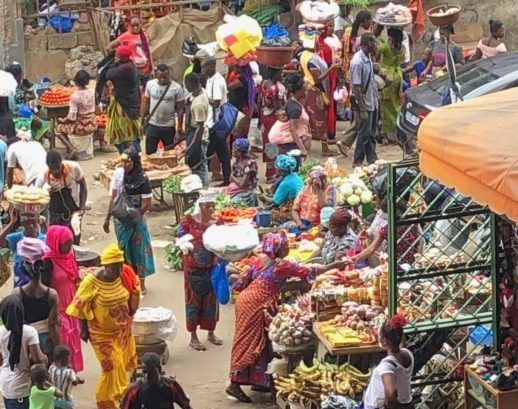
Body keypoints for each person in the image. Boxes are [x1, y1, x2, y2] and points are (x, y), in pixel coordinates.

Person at [226, 232, 348, 402]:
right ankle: (233, 383)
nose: (287, 248)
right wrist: (335, 265)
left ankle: (258, 379)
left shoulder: (259, 260)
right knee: (247, 342)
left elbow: (241, 282)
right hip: (256, 304)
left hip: (246, 300)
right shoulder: (281, 265)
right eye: (284, 246)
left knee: (261, 342)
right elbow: (310, 270)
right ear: (278, 248)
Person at [67, 244, 140, 409]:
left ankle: (121, 398)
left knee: (121, 364)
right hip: (101, 334)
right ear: (105, 265)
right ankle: (106, 402)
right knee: (111, 366)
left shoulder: (124, 275)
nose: (118, 271)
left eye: (120, 266)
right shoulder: (91, 282)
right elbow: (79, 306)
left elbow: (135, 290)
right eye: (114, 268)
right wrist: (83, 329)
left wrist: (132, 309)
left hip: (122, 331)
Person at [103, 148, 155, 294]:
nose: (125, 164)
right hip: (121, 220)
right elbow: (113, 197)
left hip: (137, 220)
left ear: (135, 162)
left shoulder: (143, 179)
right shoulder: (119, 175)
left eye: (128, 161)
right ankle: (127, 281)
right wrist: (107, 218)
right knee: (123, 250)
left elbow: (147, 203)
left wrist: (135, 218)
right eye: (123, 161)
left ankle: (141, 284)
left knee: (139, 251)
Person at [176, 191, 222, 351]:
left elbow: (224, 240)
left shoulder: (217, 222)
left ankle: (211, 332)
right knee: (193, 302)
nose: (210, 209)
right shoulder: (189, 221)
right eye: (207, 206)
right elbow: (178, 235)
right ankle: (193, 337)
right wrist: (183, 244)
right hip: (192, 268)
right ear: (200, 206)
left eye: (212, 206)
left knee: (211, 301)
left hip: (211, 267)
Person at [43, 226, 83, 372]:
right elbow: (45, 290)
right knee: (62, 342)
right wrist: (52, 314)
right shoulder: (48, 262)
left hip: (72, 306)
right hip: (58, 309)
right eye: (66, 243)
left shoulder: (69, 254)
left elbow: (73, 271)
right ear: (56, 243)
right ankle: (61, 374)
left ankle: (72, 373)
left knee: (73, 341)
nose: (69, 247)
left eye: (71, 243)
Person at [13, 237, 60, 359]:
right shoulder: (52, 294)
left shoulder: (16, 294)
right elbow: (53, 325)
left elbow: (14, 324)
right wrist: (58, 351)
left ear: (23, 268)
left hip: (25, 344)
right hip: (45, 345)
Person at [0, 295, 47, 409]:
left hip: (6, 384)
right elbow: (39, 359)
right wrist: (45, 358)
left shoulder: (0, 332)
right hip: (24, 385)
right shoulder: (29, 332)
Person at [299, 28, 339, 156]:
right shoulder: (312, 59)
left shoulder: (303, 55)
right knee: (320, 119)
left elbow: (301, 71)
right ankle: (325, 149)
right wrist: (332, 68)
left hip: (307, 87)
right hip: (315, 90)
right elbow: (318, 79)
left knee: (309, 118)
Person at [35, 151, 87, 244]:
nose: (56, 171)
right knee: (56, 241)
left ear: (61, 162)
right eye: (52, 168)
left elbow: (83, 186)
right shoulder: (44, 175)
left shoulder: (73, 168)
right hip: (55, 213)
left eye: (57, 167)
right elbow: (37, 196)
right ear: (47, 166)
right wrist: (48, 192)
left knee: (74, 239)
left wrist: (82, 208)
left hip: (74, 209)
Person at [363, 315, 414, 409]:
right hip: (407, 403)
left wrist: (387, 404)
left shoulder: (386, 367)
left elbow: (391, 392)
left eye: (380, 335)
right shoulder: (408, 354)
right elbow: (402, 345)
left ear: (384, 340)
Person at [120, 352, 193, 409]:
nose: (147, 376)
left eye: (151, 372)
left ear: (160, 369)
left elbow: (186, 405)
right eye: (144, 372)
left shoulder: (171, 385)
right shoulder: (134, 390)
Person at [141, 64, 185, 155]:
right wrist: (141, 121)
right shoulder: (150, 85)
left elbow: (181, 109)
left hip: (168, 127)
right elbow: (146, 104)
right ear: (156, 75)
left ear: (169, 74)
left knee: (169, 154)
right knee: (149, 154)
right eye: (160, 78)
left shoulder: (176, 88)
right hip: (153, 125)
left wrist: (179, 129)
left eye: (165, 77)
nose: (162, 80)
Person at [105, 45, 142, 153]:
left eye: (118, 57)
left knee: (126, 134)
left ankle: (131, 153)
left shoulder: (126, 68)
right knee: (124, 135)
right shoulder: (128, 65)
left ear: (124, 58)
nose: (116, 58)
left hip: (126, 106)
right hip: (126, 102)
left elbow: (109, 74)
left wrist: (113, 63)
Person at [54, 70, 97, 160]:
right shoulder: (93, 92)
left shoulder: (75, 96)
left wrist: (63, 120)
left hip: (81, 127)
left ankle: (71, 148)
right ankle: (85, 149)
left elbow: (72, 117)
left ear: (76, 82)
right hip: (93, 124)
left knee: (57, 129)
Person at [350, 34, 379, 167]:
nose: (376, 45)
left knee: (371, 132)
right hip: (364, 103)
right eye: (374, 43)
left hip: (372, 101)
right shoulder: (358, 62)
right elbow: (356, 87)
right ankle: (358, 161)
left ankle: (372, 158)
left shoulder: (368, 58)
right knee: (363, 133)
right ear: (368, 44)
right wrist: (362, 109)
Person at [202, 56, 230, 185]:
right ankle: (226, 179)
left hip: (216, 123)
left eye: (204, 67)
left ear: (212, 66)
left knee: (207, 153)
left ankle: (204, 180)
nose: (202, 70)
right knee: (222, 152)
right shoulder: (209, 80)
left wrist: (203, 98)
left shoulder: (217, 81)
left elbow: (216, 103)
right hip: (212, 122)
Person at [0, 211, 46, 287]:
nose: (30, 225)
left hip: (38, 285)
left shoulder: (43, 239)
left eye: (33, 221)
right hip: (20, 283)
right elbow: (1, 242)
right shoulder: (16, 237)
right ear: (22, 223)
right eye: (27, 223)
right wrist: (11, 223)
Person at [258, 67, 286, 181]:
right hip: (273, 118)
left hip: (265, 116)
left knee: (268, 143)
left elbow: (259, 101)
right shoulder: (276, 88)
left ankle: (270, 171)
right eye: (280, 73)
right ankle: (274, 172)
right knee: (275, 142)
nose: (282, 75)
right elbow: (278, 106)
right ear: (275, 74)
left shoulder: (264, 83)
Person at [260, 155, 304, 225]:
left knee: (267, 214)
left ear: (281, 171)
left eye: (277, 168)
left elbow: (274, 202)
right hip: (299, 207)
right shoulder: (296, 177)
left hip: (291, 211)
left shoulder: (285, 183)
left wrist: (263, 196)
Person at [107, 15, 153, 82]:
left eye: (137, 25)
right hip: (134, 70)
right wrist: (118, 57)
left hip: (146, 68)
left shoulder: (144, 35)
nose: (135, 27)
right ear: (129, 25)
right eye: (133, 25)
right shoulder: (125, 36)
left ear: (140, 24)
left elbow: (148, 51)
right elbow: (109, 47)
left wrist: (152, 68)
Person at [379, 28, 405, 142]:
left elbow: (376, 49)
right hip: (398, 76)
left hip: (387, 77)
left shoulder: (386, 47)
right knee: (396, 104)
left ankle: (387, 136)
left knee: (386, 106)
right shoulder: (402, 49)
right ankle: (399, 129)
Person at [184, 73, 210, 187]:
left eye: (186, 84)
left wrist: (192, 146)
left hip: (199, 137)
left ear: (190, 84)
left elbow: (200, 127)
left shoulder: (199, 103)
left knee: (200, 165)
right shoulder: (199, 92)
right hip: (192, 132)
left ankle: (204, 188)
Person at [227, 64, 256, 141]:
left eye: (236, 67)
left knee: (237, 134)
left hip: (239, 110)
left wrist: (229, 72)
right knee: (241, 133)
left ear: (241, 68)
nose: (234, 68)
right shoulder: (247, 78)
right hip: (244, 108)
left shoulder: (241, 79)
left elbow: (227, 87)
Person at [49, 345, 84, 409]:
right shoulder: (70, 372)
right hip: (66, 401)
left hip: (54, 400)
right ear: (68, 358)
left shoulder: (51, 368)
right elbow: (75, 382)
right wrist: (79, 379)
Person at [225, 139, 258, 206]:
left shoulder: (250, 164)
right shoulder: (237, 163)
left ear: (239, 152)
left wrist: (233, 177)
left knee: (230, 205)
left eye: (234, 149)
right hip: (236, 192)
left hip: (246, 194)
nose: (232, 151)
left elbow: (243, 184)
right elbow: (232, 180)